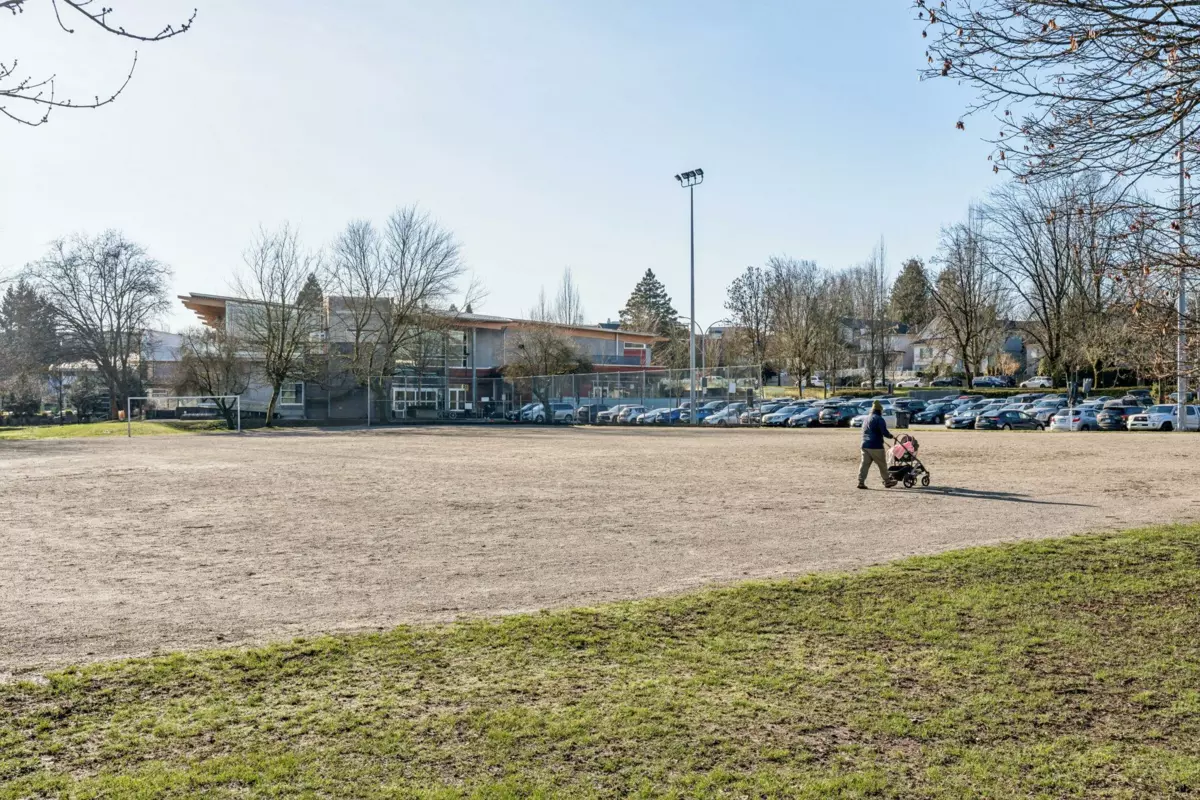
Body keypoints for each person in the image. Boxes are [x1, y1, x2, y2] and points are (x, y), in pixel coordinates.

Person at [858, 400, 896, 490]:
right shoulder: (879, 419)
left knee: (864, 464)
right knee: (882, 464)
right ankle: (887, 481)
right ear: (880, 410)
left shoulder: (866, 419)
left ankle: (861, 481)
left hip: (864, 445)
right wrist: (891, 436)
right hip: (876, 446)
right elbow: (884, 432)